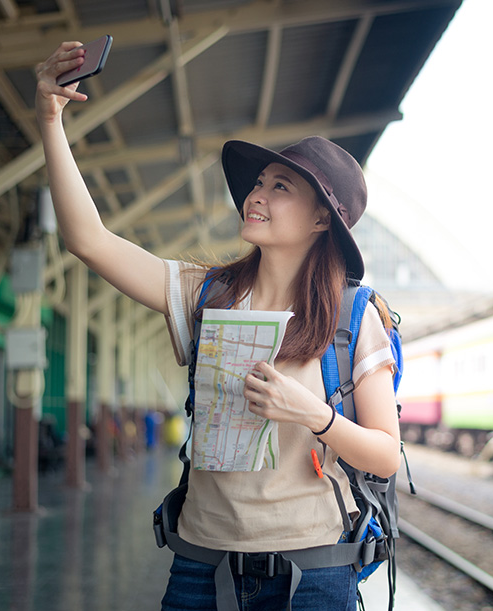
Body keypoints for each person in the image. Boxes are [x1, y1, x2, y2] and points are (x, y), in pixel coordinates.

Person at [35, 41, 401, 610]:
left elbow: (385, 454)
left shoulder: (354, 317)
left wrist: (312, 414)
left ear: (321, 218)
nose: (256, 194)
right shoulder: (206, 293)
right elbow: (89, 240)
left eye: (281, 187)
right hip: (203, 567)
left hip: (314, 571)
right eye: (259, 183)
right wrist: (49, 120)